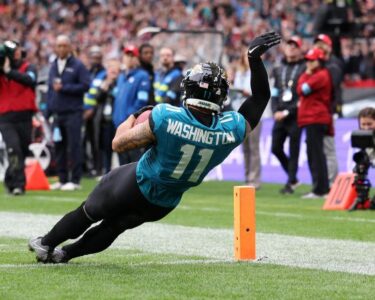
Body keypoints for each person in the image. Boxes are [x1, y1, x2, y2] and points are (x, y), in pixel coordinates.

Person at [28, 32, 281, 264]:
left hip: (136, 182)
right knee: (114, 227)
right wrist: (254, 59)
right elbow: (260, 98)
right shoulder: (231, 128)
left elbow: (118, 143)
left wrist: (134, 116)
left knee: (88, 212)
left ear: (189, 88)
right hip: (165, 202)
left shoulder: (167, 117)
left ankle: (46, 243)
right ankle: (66, 254)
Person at [47, 35, 90, 191]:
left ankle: (75, 180)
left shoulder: (78, 65)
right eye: (59, 46)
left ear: (70, 47)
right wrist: (48, 111)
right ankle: (62, 178)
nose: (61, 49)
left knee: (74, 146)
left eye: (64, 45)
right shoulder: (53, 65)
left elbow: (86, 85)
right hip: (58, 114)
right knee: (59, 147)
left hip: (73, 113)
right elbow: (51, 90)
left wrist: (65, 87)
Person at [0, 40, 37, 195]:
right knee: (13, 149)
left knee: (22, 149)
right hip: (6, 117)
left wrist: (9, 72)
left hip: (24, 116)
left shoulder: (28, 67)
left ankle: (10, 178)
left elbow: (30, 80)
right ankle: (19, 185)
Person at [297, 47, 332, 199]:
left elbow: (302, 89)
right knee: (314, 154)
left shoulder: (321, 75)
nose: (309, 63)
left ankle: (320, 190)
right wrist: (305, 76)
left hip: (315, 118)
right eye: (307, 60)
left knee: (316, 155)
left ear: (320, 61)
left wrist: (305, 75)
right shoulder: (315, 75)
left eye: (312, 60)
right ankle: (320, 188)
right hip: (311, 118)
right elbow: (299, 87)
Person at [271, 36, 305, 194]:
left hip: (295, 114)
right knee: (276, 148)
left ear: (300, 49)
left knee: (294, 149)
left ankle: (290, 182)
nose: (291, 48)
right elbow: (275, 92)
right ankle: (293, 178)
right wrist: (275, 111)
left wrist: (286, 112)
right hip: (279, 114)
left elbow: (301, 96)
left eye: (295, 46)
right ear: (284, 48)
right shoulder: (278, 68)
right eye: (289, 45)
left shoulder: (304, 68)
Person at [314, 34, 344, 186]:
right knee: (320, 150)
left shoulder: (333, 64)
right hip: (318, 111)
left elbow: (330, 85)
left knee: (328, 148)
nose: (319, 46)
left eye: (322, 44)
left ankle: (333, 183)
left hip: (329, 110)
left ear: (329, 46)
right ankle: (323, 183)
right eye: (317, 44)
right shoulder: (319, 64)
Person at [113, 45, 151, 166]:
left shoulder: (142, 76)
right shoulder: (121, 77)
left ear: (136, 58)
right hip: (119, 124)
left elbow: (141, 101)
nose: (129, 58)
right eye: (127, 55)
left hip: (131, 125)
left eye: (132, 55)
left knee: (134, 162)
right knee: (122, 162)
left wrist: (130, 119)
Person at [232, 47, 261, 189]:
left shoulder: (257, 73)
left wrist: (246, 92)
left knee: (253, 148)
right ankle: (247, 177)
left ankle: (255, 180)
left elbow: (259, 93)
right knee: (245, 148)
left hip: (255, 113)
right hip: (240, 112)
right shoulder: (240, 73)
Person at [82, 45, 106, 177]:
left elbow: (101, 93)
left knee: (97, 141)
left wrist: (93, 109)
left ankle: (99, 167)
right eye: (93, 57)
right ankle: (87, 167)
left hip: (97, 112)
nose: (95, 60)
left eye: (98, 57)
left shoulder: (104, 73)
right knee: (84, 141)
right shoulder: (87, 72)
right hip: (84, 111)